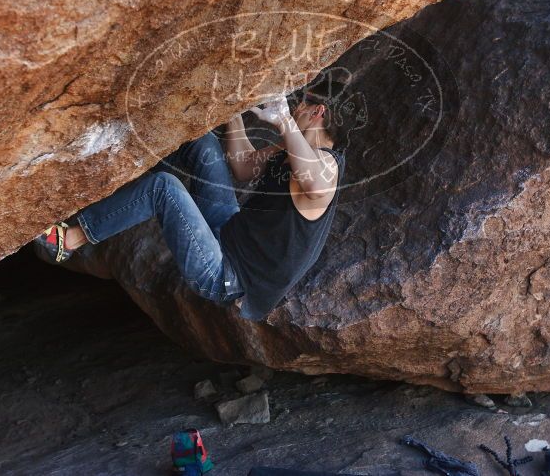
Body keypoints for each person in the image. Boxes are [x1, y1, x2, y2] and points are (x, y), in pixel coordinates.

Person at [36, 77, 360, 321]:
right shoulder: (288, 151)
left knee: (163, 189)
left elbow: (316, 186)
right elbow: (244, 167)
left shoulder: (328, 165)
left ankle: (70, 240)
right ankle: (119, 186)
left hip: (225, 274)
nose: (295, 108)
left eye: (302, 104)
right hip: (227, 229)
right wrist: (234, 111)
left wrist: (284, 120)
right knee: (201, 144)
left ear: (318, 111)